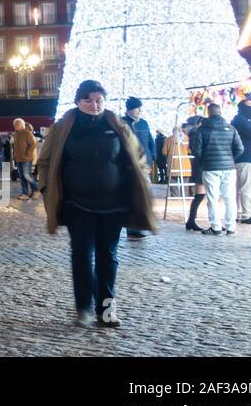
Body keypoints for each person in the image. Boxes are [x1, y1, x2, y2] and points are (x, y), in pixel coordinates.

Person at [36, 80, 155, 329]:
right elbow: (45, 161)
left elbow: (137, 156)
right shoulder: (63, 128)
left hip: (113, 205)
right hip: (77, 204)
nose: (94, 105)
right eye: (88, 100)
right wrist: (47, 189)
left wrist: (137, 181)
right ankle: (84, 307)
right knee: (81, 255)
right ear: (78, 101)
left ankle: (106, 309)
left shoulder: (117, 125)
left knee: (108, 257)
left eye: (99, 100)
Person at [193, 103, 244, 236]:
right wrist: (230, 159)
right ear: (220, 112)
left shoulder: (202, 129)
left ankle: (216, 227)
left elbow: (196, 150)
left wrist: (204, 161)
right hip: (229, 168)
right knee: (229, 198)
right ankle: (231, 227)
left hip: (210, 168)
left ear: (208, 113)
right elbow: (240, 149)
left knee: (213, 198)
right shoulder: (231, 128)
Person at [123, 98, 154, 240]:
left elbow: (150, 142)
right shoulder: (121, 122)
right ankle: (132, 228)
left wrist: (152, 158)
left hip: (144, 165)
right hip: (128, 165)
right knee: (132, 196)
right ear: (129, 109)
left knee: (143, 195)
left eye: (140, 108)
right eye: (137, 108)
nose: (140, 111)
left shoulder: (144, 123)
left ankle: (139, 225)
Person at [12, 119, 40, 199]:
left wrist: (28, 153)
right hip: (19, 158)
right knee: (21, 177)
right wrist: (14, 155)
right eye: (14, 124)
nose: (15, 126)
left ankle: (35, 190)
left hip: (26, 159)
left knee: (27, 175)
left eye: (17, 124)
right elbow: (15, 146)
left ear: (21, 125)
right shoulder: (16, 134)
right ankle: (25, 193)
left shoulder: (27, 133)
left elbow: (33, 144)